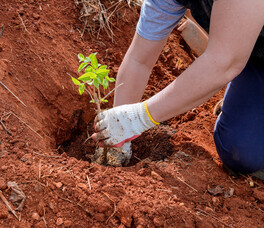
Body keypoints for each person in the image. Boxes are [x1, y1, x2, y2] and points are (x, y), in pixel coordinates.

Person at [91, 0, 264, 178]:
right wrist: (120, 129)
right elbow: (139, 60)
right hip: (248, 55)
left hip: (233, 57)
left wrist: (139, 118)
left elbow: (223, 64)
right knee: (242, 152)